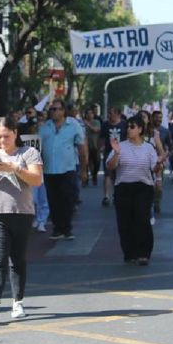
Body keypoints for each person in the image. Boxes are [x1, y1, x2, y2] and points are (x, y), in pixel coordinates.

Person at [0, 116, 43, 324]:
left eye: (6, 136)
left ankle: (17, 301)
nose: (2, 141)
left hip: (22, 212)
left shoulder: (28, 153)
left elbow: (37, 180)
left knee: (17, 260)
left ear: (15, 134)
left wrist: (15, 168)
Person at [106, 116, 161, 266]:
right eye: (128, 126)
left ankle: (144, 253)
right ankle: (129, 252)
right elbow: (110, 167)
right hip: (123, 188)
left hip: (143, 187)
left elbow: (154, 168)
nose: (129, 129)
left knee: (142, 217)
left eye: (132, 126)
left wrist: (159, 165)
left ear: (140, 129)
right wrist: (116, 153)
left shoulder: (148, 147)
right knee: (125, 221)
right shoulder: (120, 146)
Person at [38, 99, 87, 240]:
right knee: (53, 200)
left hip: (67, 169)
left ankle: (67, 228)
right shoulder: (45, 127)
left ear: (63, 111)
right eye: (52, 109)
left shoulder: (73, 125)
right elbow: (36, 148)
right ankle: (57, 228)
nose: (54, 112)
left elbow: (81, 148)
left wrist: (84, 169)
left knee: (67, 198)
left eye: (57, 109)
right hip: (49, 170)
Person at [99, 107, 128, 207]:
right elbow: (102, 138)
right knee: (107, 174)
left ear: (118, 114)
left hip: (121, 152)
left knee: (119, 175)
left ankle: (117, 195)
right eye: (109, 113)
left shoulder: (124, 124)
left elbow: (128, 137)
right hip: (108, 152)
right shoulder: (105, 125)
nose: (109, 115)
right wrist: (102, 147)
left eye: (111, 113)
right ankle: (106, 196)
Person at [83, 108, 101, 186]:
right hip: (85, 147)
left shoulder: (96, 122)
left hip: (95, 146)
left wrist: (88, 125)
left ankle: (94, 175)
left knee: (97, 163)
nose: (89, 115)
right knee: (85, 163)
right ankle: (85, 179)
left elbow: (96, 130)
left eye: (91, 113)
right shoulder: (82, 123)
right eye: (88, 113)